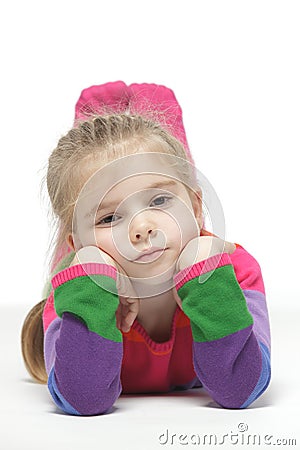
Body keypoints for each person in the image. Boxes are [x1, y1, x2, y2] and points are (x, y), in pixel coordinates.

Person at [21, 81, 271, 416]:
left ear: (197, 208)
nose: (141, 229)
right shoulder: (78, 288)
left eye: (160, 200)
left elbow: (241, 389)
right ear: (77, 246)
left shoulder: (234, 271)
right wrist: (91, 277)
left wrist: (206, 280)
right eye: (109, 217)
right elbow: (84, 399)